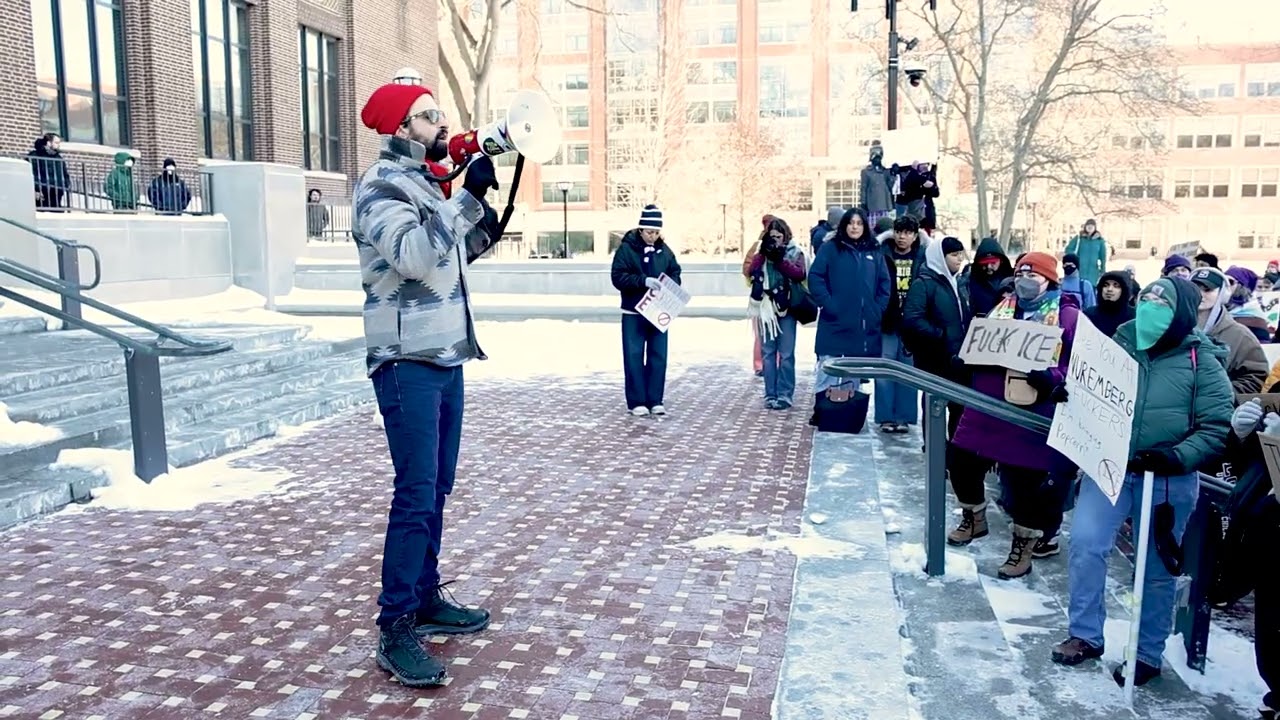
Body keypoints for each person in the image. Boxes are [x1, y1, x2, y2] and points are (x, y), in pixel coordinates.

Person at [353, 81, 502, 686]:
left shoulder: (427, 184)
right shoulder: (380, 187)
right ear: (399, 129)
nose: (442, 122)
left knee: (436, 487)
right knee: (415, 492)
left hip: (443, 355)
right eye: (427, 115)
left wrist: (483, 215)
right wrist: (462, 199)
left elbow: (450, 255)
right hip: (405, 360)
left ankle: (424, 596)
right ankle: (395, 627)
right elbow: (413, 256)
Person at [1052, 276, 1233, 688]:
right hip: (1111, 468)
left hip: (1168, 480)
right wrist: (1066, 393)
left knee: (1155, 568)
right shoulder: (1117, 345)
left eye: (1162, 302)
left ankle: (1148, 652)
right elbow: (1089, 390)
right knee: (1085, 544)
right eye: (1147, 298)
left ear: (1182, 312)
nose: (1151, 307)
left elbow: (1216, 426)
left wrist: (1177, 456)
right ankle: (1085, 634)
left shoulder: (1201, 361)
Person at [947, 252, 1080, 580]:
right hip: (988, 404)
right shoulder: (1002, 307)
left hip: (1032, 408)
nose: (1025, 279)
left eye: (1033, 275)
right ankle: (973, 517)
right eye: (1021, 272)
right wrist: (966, 358)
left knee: (1026, 482)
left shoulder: (1067, 316)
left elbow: (1078, 364)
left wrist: (1053, 377)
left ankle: (1023, 546)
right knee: (960, 458)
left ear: (1049, 280)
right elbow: (980, 341)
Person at [808, 207, 892, 428]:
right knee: (828, 366)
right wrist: (829, 303)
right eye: (851, 223)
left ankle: (847, 413)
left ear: (865, 227)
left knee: (853, 371)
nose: (855, 227)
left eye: (859, 223)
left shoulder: (874, 251)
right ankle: (822, 411)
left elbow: (884, 283)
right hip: (834, 321)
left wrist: (877, 308)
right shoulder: (830, 249)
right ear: (844, 225)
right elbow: (815, 277)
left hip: (861, 324)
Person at [612, 204, 682, 417]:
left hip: (658, 311)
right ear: (640, 230)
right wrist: (643, 281)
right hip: (634, 311)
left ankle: (655, 399)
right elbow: (618, 276)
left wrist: (670, 285)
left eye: (656, 232)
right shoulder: (626, 249)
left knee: (658, 355)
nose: (653, 236)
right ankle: (636, 402)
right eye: (649, 232)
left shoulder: (664, 250)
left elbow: (675, 271)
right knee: (633, 355)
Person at [901, 235, 970, 442]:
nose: (959, 259)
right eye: (954, 254)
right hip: (935, 359)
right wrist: (940, 334)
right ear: (941, 256)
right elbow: (912, 319)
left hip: (957, 358)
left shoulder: (958, 283)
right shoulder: (924, 283)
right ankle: (934, 451)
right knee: (935, 408)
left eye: (961, 254)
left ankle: (955, 454)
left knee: (959, 408)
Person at [874, 215, 929, 433]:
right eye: (899, 232)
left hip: (911, 322)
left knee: (907, 370)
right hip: (887, 320)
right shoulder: (882, 253)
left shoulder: (922, 257)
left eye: (907, 233)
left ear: (915, 236)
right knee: (885, 368)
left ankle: (904, 417)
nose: (902, 237)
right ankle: (886, 416)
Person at [747, 217, 808, 410]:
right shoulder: (761, 253)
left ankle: (785, 393)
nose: (775, 240)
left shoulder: (794, 252)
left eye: (778, 236)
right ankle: (770, 393)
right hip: (766, 307)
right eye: (771, 236)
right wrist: (762, 255)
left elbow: (800, 274)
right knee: (768, 352)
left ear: (785, 236)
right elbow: (749, 272)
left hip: (787, 308)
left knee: (787, 353)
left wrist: (780, 260)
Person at [1190, 267, 1268, 393]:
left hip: (1218, 409)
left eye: (1207, 289)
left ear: (1222, 293)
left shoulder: (1241, 335)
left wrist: (1223, 394)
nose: (1200, 294)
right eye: (1195, 288)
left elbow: (1256, 376)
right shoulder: (1172, 328)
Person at [744, 214, 776, 377]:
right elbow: (748, 268)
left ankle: (760, 364)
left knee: (761, 334)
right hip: (763, 295)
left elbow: (746, 268)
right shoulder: (759, 246)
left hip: (759, 293)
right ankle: (765, 364)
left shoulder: (756, 244)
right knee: (769, 332)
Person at [960, 235, 1014, 318]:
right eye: (984, 263)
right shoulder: (967, 283)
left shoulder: (1013, 281)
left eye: (993, 263)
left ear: (1001, 261)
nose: (988, 266)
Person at [1224, 266, 1272, 343]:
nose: (1225, 285)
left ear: (1242, 287)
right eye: (1223, 280)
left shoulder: (1255, 320)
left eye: (1230, 281)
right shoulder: (1216, 309)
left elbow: (1260, 350)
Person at [1083, 271, 1135, 337]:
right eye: (1105, 285)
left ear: (1124, 290)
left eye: (1116, 286)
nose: (1109, 289)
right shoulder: (1089, 314)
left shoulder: (1133, 317)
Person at [28, 134, 69, 209]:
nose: (58, 145)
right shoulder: (36, 155)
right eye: (56, 143)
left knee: (57, 213)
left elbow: (64, 173)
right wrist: (36, 188)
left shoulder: (58, 158)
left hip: (57, 192)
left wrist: (65, 185)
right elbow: (32, 173)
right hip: (43, 192)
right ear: (49, 143)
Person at [860, 143, 895, 226]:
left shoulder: (885, 171)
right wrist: (863, 202)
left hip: (884, 205)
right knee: (872, 227)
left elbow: (890, 186)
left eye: (879, 158)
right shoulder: (866, 172)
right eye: (876, 157)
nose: (878, 160)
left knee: (885, 226)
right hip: (872, 205)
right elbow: (863, 188)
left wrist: (893, 174)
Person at [1065, 218, 1106, 286]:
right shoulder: (1079, 238)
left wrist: (1102, 270)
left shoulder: (1100, 241)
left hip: (1093, 272)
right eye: (1088, 226)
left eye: (1092, 226)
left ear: (1095, 228)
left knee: (1091, 290)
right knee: (1078, 288)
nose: (1090, 228)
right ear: (1085, 227)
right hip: (1079, 270)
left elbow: (1103, 256)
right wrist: (1074, 257)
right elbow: (1068, 249)